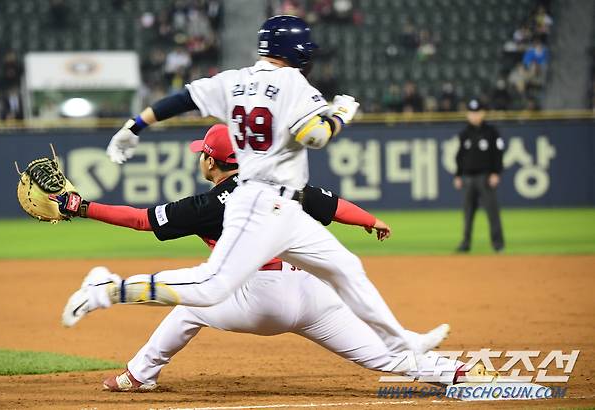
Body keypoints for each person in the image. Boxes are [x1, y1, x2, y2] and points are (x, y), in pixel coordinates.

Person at [62, 15, 449, 358]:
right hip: (261, 202)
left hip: (288, 208)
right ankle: (107, 289)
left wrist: (135, 126)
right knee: (212, 287)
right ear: (296, 51)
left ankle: (402, 341)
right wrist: (340, 116)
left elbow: (181, 99)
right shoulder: (293, 83)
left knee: (345, 267)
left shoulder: (235, 81)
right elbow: (316, 137)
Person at [54, 124, 459, 391]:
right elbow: (331, 205)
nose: (200, 157)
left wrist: (80, 205)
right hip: (309, 290)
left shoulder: (209, 205)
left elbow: (142, 220)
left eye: (202, 153)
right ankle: (448, 372)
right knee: (376, 353)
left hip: (259, 300)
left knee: (189, 304)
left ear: (210, 161)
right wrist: (370, 221)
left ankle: (139, 374)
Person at [453, 99, 505, 253]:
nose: (474, 115)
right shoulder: (464, 134)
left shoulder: (491, 132)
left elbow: (498, 154)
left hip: (485, 177)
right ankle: (465, 243)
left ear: (483, 113)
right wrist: (458, 175)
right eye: (471, 112)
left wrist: (496, 172)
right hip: (468, 178)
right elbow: (459, 157)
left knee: (492, 212)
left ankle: (498, 244)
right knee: (468, 213)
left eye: (477, 112)